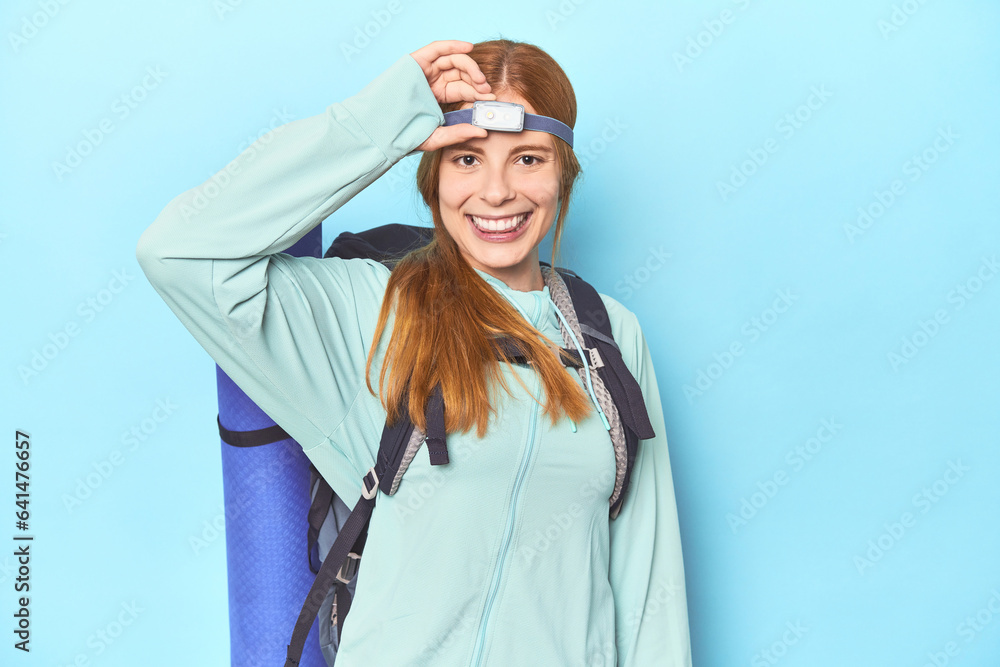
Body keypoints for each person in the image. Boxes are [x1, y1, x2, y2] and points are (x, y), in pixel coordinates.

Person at [137, 38, 691, 667]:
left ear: (563, 172)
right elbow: (178, 252)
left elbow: (650, 592)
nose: (497, 192)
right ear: (433, 174)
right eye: (467, 159)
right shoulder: (370, 311)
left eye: (528, 158)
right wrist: (385, 121)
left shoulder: (607, 337)